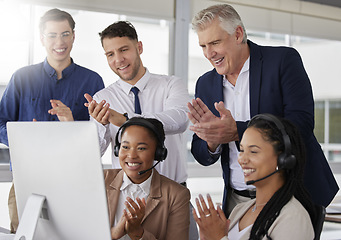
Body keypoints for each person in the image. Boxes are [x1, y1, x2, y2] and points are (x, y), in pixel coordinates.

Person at [188, 3, 338, 216]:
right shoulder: (205, 84)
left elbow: (301, 124)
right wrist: (212, 141)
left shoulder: (282, 61)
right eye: (203, 46)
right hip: (237, 199)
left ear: (238, 34)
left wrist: (238, 131)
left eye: (215, 42)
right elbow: (202, 154)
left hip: (291, 194)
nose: (209, 53)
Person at [0, 8, 104, 232]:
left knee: (72, 234)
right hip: (27, 176)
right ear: (41, 38)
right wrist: (24, 138)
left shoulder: (93, 81)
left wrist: (72, 124)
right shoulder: (21, 78)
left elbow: (100, 137)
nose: (60, 41)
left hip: (74, 179)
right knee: (23, 234)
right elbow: (1, 122)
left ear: (74, 36)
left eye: (65, 34)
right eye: (52, 35)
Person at [84, 21, 189, 185]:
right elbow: (91, 154)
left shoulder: (171, 84)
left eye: (124, 50)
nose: (118, 60)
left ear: (139, 47)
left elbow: (179, 121)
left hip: (173, 193)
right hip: (126, 196)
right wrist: (102, 125)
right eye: (110, 54)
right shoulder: (102, 99)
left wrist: (126, 120)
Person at [193, 114, 316, 240]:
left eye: (253, 151)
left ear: (283, 159)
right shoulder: (240, 210)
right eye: (241, 150)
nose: (242, 159)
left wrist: (218, 237)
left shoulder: (293, 218)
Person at [105, 117, 190, 240]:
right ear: (117, 150)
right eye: (125, 147)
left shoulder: (176, 195)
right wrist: (113, 234)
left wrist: (138, 233)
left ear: (158, 153)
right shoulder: (100, 180)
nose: (132, 155)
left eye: (141, 148)